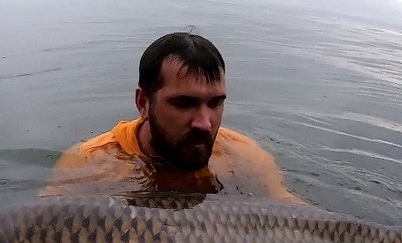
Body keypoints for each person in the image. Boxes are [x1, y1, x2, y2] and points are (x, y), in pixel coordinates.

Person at [42, 32, 306, 204]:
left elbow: (293, 214)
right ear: (143, 103)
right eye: (184, 104)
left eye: (215, 103)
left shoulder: (244, 156)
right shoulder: (88, 164)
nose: (204, 122)